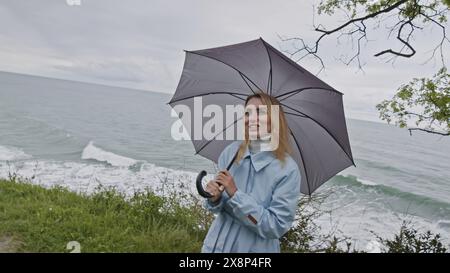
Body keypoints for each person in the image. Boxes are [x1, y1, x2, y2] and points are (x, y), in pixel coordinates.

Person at [202, 92, 301, 253]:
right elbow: (216, 208)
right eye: (247, 113)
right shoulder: (232, 152)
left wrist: (235, 195)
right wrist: (214, 199)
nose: (251, 118)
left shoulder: (287, 170)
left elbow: (276, 226)